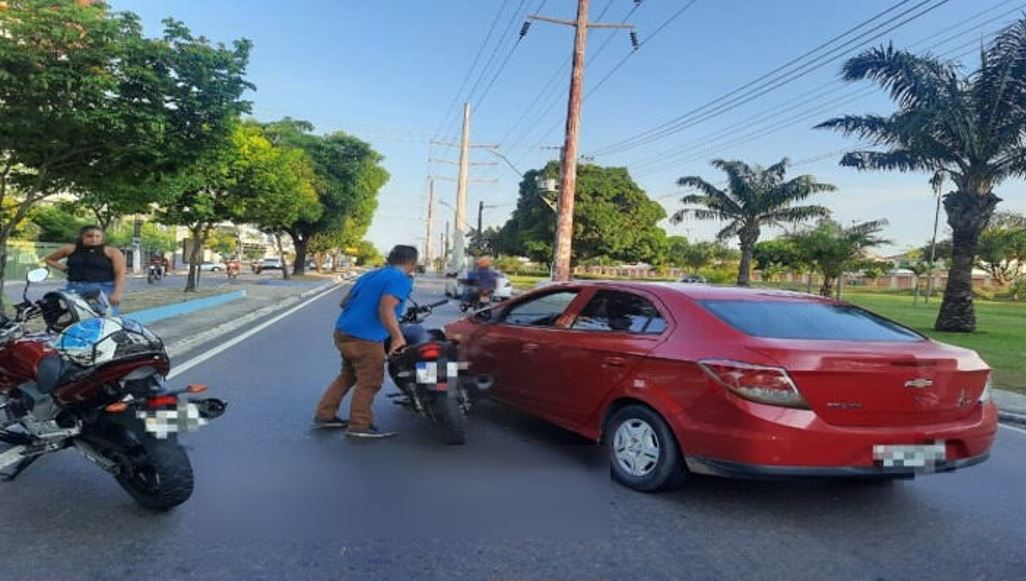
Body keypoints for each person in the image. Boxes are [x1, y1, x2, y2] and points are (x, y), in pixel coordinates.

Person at [313, 245, 418, 438]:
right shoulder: (401, 279)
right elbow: (386, 309)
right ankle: (360, 425)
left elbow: (344, 302)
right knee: (370, 382)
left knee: (348, 375)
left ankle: (324, 415)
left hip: (343, 332)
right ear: (411, 263)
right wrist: (397, 336)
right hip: (366, 338)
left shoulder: (370, 275)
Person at [45, 225, 127, 315]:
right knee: (77, 319)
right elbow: (49, 259)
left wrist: (117, 293)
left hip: (103, 289)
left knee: (105, 320)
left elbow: (120, 273)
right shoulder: (70, 249)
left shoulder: (112, 252)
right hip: (75, 289)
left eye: (98, 236)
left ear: (102, 238)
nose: (94, 239)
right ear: (82, 237)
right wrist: (64, 268)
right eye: (89, 236)